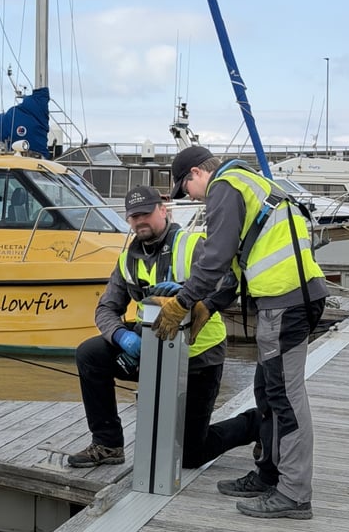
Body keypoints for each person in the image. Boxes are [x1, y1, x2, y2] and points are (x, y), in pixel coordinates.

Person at [151, 145, 328, 520]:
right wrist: (208, 305)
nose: (190, 197)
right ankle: (269, 476)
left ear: (197, 173)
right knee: (267, 391)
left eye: (186, 188)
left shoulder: (225, 186)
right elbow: (235, 265)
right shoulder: (246, 183)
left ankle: (294, 493)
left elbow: (215, 258)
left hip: (286, 301)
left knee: (285, 397)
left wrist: (183, 302)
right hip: (288, 299)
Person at [67, 184, 259, 470]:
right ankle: (108, 444)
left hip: (197, 358)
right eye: (134, 216)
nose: (139, 221)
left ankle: (256, 423)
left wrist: (188, 293)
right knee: (90, 354)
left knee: (190, 455)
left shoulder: (193, 246)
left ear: (163, 210)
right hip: (150, 352)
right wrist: (121, 337)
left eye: (146, 213)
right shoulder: (127, 260)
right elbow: (106, 309)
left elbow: (229, 285)